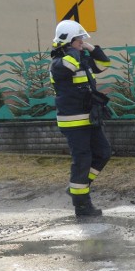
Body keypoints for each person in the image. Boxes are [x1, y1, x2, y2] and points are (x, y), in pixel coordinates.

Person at [48, 19, 113, 217]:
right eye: (78, 40)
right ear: (68, 41)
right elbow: (69, 64)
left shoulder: (79, 57)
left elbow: (103, 64)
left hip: (89, 118)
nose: (81, 43)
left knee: (103, 153)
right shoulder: (59, 63)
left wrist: (90, 47)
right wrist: (73, 49)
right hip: (73, 121)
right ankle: (82, 204)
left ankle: (79, 186)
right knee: (82, 159)